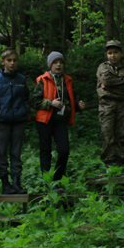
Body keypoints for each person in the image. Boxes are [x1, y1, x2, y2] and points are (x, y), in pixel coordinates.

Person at [31, 52, 88, 181]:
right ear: (50, 64)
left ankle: (57, 180)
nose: (58, 65)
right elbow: (34, 102)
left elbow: (71, 100)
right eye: (55, 62)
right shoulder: (42, 80)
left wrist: (79, 105)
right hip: (45, 120)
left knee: (64, 151)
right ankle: (47, 182)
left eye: (61, 62)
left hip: (60, 121)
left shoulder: (67, 80)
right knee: (46, 151)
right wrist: (51, 103)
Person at [0, 49, 28, 194]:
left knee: (16, 152)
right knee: (1, 152)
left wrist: (25, 110)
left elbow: (26, 97)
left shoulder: (22, 79)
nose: (12, 63)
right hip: (2, 121)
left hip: (19, 120)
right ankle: (5, 182)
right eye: (9, 60)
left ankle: (16, 181)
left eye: (14, 60)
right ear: (3, 62)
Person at [96, 39, 124, 167]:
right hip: (107, 106)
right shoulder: (103, 67)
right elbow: (106, 80)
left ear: (121, 53)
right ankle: (108, 163)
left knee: (121, 135)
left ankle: (119, 163)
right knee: (108, 134)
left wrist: (112, 87)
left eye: (115, 52)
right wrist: (121, 84)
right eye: (110, 53)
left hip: (122, 106)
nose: (113, 55)